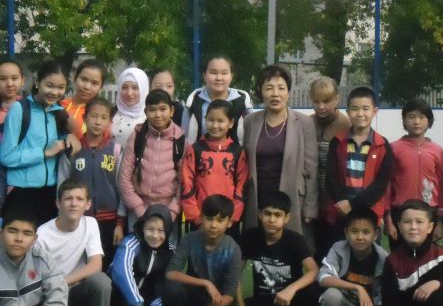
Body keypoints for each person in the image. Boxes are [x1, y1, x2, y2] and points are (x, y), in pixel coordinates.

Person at [36, 179, 112, 306]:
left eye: (79, 199)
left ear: (88, 204)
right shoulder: (42, 235)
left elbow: (96, 265)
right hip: (48, 295)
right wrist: (56, 287)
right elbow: (36, 278)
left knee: (101, 281)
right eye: (68, 198)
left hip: (73, 291)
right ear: (58, 203)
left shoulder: (91, 224)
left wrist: (64, 282)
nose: (73, 203)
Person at [238, 191, 319, 306]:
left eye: (277, 215)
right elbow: (236, 274)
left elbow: (314, 271)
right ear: (259, 214)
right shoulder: (250, 237)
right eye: (267, 214)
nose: (272, 220)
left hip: (291, 302)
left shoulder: (295, 240)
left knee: (310, 292)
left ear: (287, 218)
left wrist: (291, 289)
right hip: (263, 301)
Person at [243, 64, 318, 247]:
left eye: (281, 88)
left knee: (290, 250)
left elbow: (312, 169)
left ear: (288, 92)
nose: (275, 94)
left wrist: (310, 207)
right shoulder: (251, 121)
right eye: (269, 88)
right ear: (261, 92)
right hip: (258, 197)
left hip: (291, 198)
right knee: (258, 250)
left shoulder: (304, 123)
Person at [163, 195, 245, 306]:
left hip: (218, 302)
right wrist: (205, 283)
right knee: (172, 288)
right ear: (201, 218)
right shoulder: (189, 239)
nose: (213, 225)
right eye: (209, 219)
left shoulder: (233, 249)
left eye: (220, 220)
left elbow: (229, 296)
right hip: (195, 295)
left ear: (229, 222)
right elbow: (171, 273)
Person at [0, 60, 80, 224]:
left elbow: (64, 140)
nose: (54, 92)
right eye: (49, 85)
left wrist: (69, 137)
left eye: (60, 87)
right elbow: (7, 157)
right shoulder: (19, 109)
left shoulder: (58, 113)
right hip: (21, 192)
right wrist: (44, 153)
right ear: (38, 82)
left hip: (50, 192)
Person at [58, 97, 125, 269]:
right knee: (78, 265)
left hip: (109, 221)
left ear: (110, 122)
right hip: (77, 219)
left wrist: (119, 223)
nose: (98, 122)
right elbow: (62, 185)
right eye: (94, 116)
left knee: (106, 267)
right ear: (84, 118)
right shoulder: (73, 150)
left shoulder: (116, 150)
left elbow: (122, 188)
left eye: (103, 118)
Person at [317, 206, 387, 306]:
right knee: (331, 295)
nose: (360, 237)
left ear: (375, 234)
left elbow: (383, 303)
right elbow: (323, 278)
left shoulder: (384, 259)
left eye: (366, 232)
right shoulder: (338, 248)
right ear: (346, 232)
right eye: (354, 231)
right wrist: (357, 288)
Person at [324, 86, 392, 253]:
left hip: (370, 215)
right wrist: (343, 204)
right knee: (339, 257)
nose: (360, 113)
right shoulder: (337, 142)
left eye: (365, 108)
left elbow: (381, 184)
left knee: (370, 260)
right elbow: (330, 177)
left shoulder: (383, 145)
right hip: (341, 214)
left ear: (375, 111)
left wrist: (353, 205)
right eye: (355, 109)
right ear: (348, 112)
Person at [109, 205, 175, 306]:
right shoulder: (130, 242)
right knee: (120, 288)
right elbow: (121, 273)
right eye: (150, 229)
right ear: (142, 227)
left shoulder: (171, 251)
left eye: (161, 231)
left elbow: (168, 284)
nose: (155, 235)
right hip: (119, 302)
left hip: (145, 301)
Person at [180, 99, 248, 240]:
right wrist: (195, 216)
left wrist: (232, 217)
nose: (215, 125)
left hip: (228, 222)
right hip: (200, 220)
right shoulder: (195, 150)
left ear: (231, 123)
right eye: (211, 120)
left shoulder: (237, 152)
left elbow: (242, 186)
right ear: (205, 120)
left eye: (221, 121)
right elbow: (186, 184)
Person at [118, 89, 186, 226]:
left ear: (172, 111)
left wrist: (171, 213)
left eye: (163, 109)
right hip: (138, 209)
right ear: (145, 112)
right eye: (152, 110)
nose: (158, 115)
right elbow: (124, 178)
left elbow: (183, 183)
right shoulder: (138, 136)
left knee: (165, 241)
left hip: (168, 211)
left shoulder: (180, 139)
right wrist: (139, 210)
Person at [385, 98, 443, 250]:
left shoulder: (437, 150)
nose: (416, 121)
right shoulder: (394, 148)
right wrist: (388, 219)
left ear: (429, 121)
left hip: (429, 212)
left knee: (426, 258)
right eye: (411, 117)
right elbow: (387, 185)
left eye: (421, 117)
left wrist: (439, 222)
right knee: (399, 257)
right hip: (400, 212)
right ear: (404, 121)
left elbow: (442, 185)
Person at [309, 76, 351, 260]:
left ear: (337, 99)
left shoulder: (347, 125)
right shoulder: (306, 123)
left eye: (326, 101)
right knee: (313, 253)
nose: (321, 107)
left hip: (336, 201)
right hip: (312, 199)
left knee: (335, 252)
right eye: (316, 101)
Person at [182, 55, 252, 144]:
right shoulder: (194, 100)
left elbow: (252, 134)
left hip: (236, 153)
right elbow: (184, 136)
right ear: (204, 75)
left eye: (224, 73)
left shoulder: (242, 100)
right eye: (213, 73)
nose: (219, 78)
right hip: (200, 152)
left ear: (231, 76)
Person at [0, 58, 25, 213]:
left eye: (14, 78)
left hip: (22, 172)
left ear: (22, 80)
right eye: (3, 79)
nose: (9, 84)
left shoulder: (30, 108)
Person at [61, 59, 107, 139]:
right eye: (83, 79)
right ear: (75, 77)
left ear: (101, 87)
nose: (87, 87)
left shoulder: (102, 114)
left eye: (94, 83)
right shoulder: (60, 106)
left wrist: (75, 130)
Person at [111, 67, 149, 148]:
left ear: (143, 89)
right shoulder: (110, 113)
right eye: (124, 87)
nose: (129, 93)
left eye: (135, 88)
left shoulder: (150, 117)